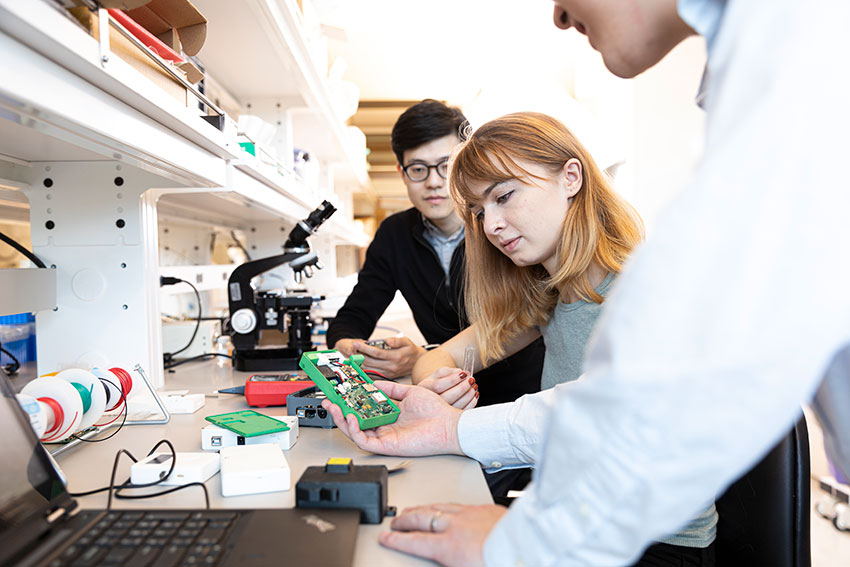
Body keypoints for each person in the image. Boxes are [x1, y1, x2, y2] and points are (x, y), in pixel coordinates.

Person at [323, 0, 850, 565]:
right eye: (478, 211)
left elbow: (637, 408)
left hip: (653, 542)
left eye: (504, 197)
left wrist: (459, 436)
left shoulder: (801, 61)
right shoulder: (546, 295)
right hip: (598, 517)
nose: (492, 224)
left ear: (570, 176)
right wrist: (441, 401)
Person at [326, 99, 544, 407]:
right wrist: (352, 349)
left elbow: (523, 318)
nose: (433, 182)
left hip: (524, 398)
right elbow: (353, 316)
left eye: (446, 166)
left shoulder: (503, 227)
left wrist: (425, 357)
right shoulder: (394, 235)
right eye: (418, 169)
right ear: (402, 173)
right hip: (444, 399)